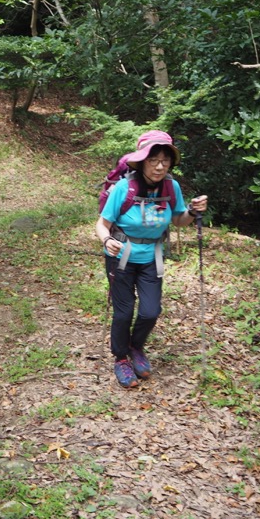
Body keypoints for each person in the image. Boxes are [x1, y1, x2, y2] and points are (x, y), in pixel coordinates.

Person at [95, 130, 208, 388]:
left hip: (152, 256)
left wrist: (191, 211)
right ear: (142, 160)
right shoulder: (124, 188)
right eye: (153, 160)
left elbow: (179, 219)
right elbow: (102, 225)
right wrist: (106, 240)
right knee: (123, 313)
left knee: (150, 311)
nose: (159, 166)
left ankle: (136, 347)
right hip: (120, 256)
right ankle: (121, 357)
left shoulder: (171, 187)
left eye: (165, 161)